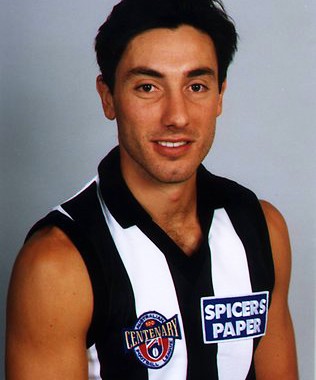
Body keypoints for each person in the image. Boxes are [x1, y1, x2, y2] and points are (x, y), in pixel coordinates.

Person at [6, 0, 298, 379]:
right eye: (147, 87)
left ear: (220, 95)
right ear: (108, 96)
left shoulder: (261, 229)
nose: (176, 116)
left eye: (196, 86)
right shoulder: (57, 264)